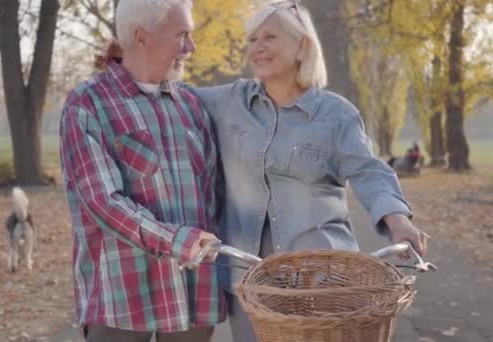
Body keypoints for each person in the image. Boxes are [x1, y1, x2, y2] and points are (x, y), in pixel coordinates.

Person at [187, 1, 430, 341]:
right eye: (253, 39)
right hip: (247, 280)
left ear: (301, 45)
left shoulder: (335, 115)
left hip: (322, 280)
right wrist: (128, 59)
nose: (257, 47)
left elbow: (368, 171)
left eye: (269, 37)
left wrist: (398, 220)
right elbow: (172, 95)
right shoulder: (231, 101)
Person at [59, 0, 225, 341]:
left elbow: (214, 195)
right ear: (141, 35)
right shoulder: (88, 104)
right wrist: (177, 241)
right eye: (182, 34)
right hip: (122, 298)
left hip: (194, 297)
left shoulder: (191, 105)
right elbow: (103, 203)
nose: (191, 47)